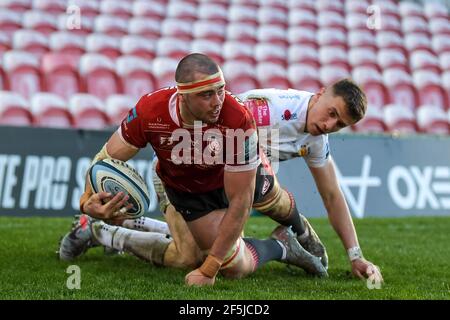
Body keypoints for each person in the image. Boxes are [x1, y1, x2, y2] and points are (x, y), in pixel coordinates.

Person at [59, 77, 383, 285]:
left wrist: (355, 255)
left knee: (216, 248)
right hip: (184, 176)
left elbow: (331, 195)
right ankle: (101, 232)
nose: (329, 124)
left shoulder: (315, 139)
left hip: (223, 186)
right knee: (190, 257)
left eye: (338, 124)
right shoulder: (268, 110)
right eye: (331, 112)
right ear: (321, 93)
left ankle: (291, 234)